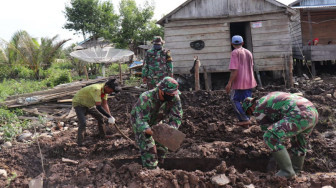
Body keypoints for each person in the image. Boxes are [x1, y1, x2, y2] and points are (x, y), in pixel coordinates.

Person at [241, 92, 319, 178]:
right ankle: (296, 170)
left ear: (250, 108)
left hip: (298, 114)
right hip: (312, 112)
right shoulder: (269, 97)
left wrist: (274, 155)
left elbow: (270, 133)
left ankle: (287, 171)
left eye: (249, 113)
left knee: (270, 137)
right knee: (299, 141)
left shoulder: (258, 109)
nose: (252, 115)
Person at [131, 77, 183, 169]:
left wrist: (170, 130)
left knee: (162, 148)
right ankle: (150, 170)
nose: (172, 96)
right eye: (169, 94)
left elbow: (177, 117)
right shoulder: (146, 98)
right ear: (161, 90)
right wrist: (150, 132)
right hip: (141, 123)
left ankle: (159, 168)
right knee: (149, 148)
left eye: (173, 94)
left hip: (157, 121)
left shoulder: (174, 98)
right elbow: (141, 120)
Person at [72, 79, 121, 146]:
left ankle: (103, 135)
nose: (111, 92)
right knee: (83, 123)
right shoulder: (97, 89)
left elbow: (104, 104)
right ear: (107, 87)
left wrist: (110, 116)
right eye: (111, 91)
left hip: (89, 104)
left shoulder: (105, 91)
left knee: (100, 118)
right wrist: (109, 117)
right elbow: (98, 106)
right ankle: (80, 143)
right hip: (79, 103)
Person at [225, 35, 257, 126]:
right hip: (250, 81)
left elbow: (234, 70)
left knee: (234, 100)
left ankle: (245, 119)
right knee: (247, 102)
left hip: (240, 82)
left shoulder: (235, 52)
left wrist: (229, 83)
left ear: (232, 44)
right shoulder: (248, 52)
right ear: (242, 43)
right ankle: (247, 120)